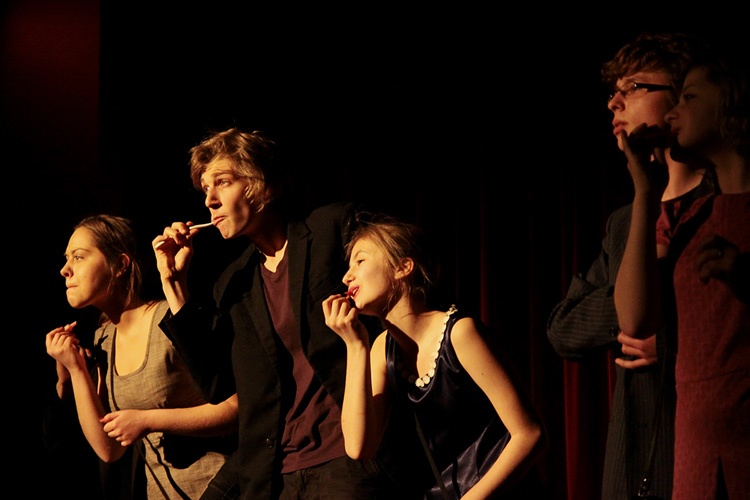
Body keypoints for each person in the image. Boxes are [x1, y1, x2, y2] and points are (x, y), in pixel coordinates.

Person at [153, 128, 402, 500]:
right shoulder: (233, 283)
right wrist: (174, 284)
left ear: (261, 186)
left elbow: (400, 293)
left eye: (222, 183)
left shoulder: (332, 228)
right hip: (277, 473)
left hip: (349, 459)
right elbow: (218, 385)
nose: (210, 200)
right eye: (205, 189)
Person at [546, 32, 714, 499]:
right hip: (632, 460)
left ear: (681, 97)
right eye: (614, 91)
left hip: (705, 448)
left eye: (635, 87)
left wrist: (674, 345)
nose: (614, 103)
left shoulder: (725, 200)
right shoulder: (625, 223)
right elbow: (563, 328)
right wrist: (639, 287)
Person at [321, 212, 547, 499]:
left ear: (403, 267)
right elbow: (358, 447)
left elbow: (529, 434)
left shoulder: (460, 333)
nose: (346, 276)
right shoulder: (382, 348)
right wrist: (355, 346)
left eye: (360, 261)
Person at [616, 46, 749, 499]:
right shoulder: (693, 217)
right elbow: (634, 318)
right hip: (697, 444)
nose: (673, 114)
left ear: (732, 104)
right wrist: (644, 192)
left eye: (689, 98)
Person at [45, 214, 239, 499]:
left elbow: (236, 409)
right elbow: (109, 449)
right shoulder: (103, 339)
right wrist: (76, 370)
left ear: (120, 265)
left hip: (219, 489)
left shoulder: (170, 320)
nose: (65, 270)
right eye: (66, 259)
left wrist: (148, 420)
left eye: (79, 257)